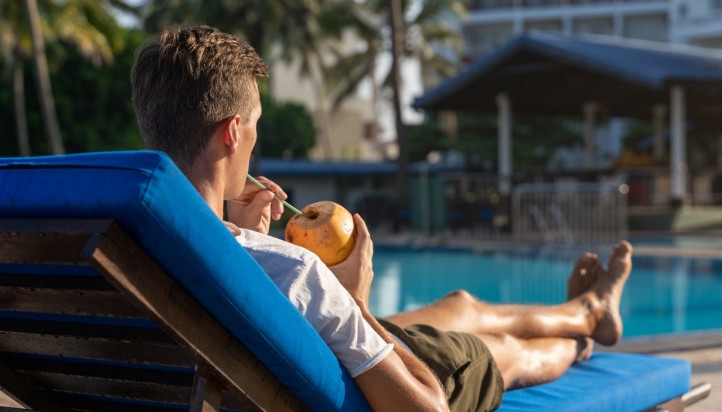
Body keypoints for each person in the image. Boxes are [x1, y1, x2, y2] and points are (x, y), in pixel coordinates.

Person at [130, 25, 633, 412]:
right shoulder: (294, 272)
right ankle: (583, 332)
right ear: (232, 133)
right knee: (500, 350)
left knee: (460, 305)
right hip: (392, 380)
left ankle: (587, 308)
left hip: (316, 349)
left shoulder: (128, 239)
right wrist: (356, 303)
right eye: (256, 124)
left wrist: (240, 234)